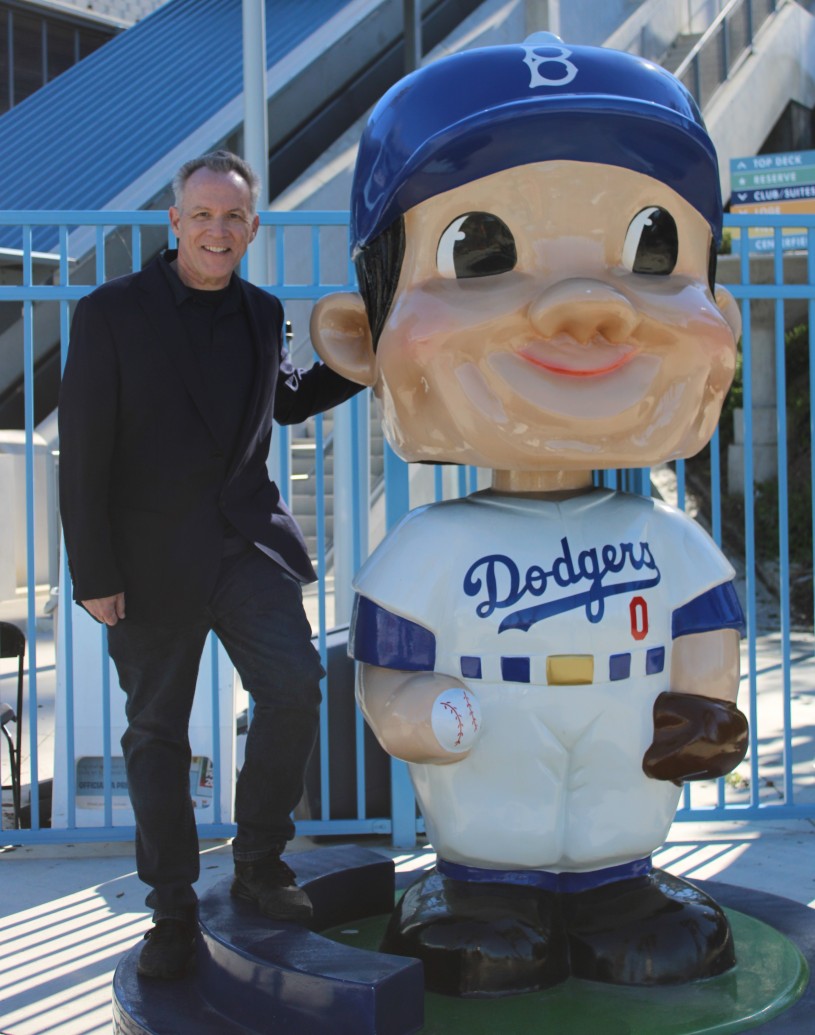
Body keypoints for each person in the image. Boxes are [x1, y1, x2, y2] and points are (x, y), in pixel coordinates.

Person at [311, 35, 749, 995]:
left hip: (622, 745)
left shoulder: (666, 541)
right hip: (487, 755)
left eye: (653, 248)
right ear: (359, 337)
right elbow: (389, 667)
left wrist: (704, 712)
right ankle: (480, 892)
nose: (586, 309)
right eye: (482, 251)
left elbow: (703, 630)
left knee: (617, 846)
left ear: (725, 318)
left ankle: (616, 892)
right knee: (490, 867)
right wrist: (413, 708)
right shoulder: (429, 546)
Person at [58, 149, 362, 980]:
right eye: (203, 215)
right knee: (156, 732)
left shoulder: (264, 313)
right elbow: (82, 453)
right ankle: (172, 911)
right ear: (174, 222)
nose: (217, 231)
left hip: (244, 546)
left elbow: (288, 395)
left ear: (252, 227)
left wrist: (365, 356)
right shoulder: (110, 312)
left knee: (295, 686)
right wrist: (94, 571)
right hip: (148, 561)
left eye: (233, 218)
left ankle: (261, 859)